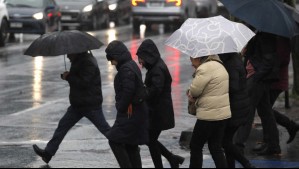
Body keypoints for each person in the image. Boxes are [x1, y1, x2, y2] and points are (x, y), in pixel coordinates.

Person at [33, 52, 111, 164]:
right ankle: (48, 153)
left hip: (90, 104)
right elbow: (79, 78)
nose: (68, 56)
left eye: (69, 54)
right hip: (78, 104)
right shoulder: (80, 60)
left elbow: (84, 83)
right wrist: (69, 76)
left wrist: (69, 76)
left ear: (76, 51)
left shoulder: (88, 62)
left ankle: (125, 146)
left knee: (105, 129)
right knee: (62, 126)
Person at [137, 39, 185, 168]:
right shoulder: (155, 66)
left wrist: (142, 94)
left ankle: (168, 161)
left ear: (147, 56)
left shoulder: (157, 69)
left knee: (150, 140)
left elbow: (155, 90)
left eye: (141, 58)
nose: (140, 62)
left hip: (159, 112)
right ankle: (172, 158)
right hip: (157, 111)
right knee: (150, 139)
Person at [235, 32, 281, 156]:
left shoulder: (266, 35)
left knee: (247, 111)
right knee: (265, 111)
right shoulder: (261, 34)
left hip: (257, 78)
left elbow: (268, 60)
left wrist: (256, 77)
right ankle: (273, 145)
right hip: (259, 78)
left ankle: (238, 145)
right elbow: (258, 55)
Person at [105, 40, 149, 168]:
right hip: (135, 112)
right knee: (131, 145)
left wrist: (121, 106)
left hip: (130, 113)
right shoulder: (130, 65)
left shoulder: (126, 69)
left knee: (114, 140)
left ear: (117, 56)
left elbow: (128, 90)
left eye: (112, 59)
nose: (112, 63)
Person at [253, 36, 299, 152]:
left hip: (276, 80)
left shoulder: (280, 37)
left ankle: (272, 142)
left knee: (265, 110)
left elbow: (283, 59)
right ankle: (271, 139)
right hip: (270, 79)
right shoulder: (273, 35)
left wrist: (267, 61)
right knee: (265, 110)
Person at [188, 55, 231, 168]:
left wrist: (191, 92)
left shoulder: (204, 68)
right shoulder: (220, 65)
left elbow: (195, 91)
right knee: (215, 147)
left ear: (198, 58)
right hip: (222, 114)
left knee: (195, 146)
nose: (191, 63)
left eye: (192, 59)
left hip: (208, 115)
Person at [219, 53, 254, 168]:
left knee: (225, 141)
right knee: (227, 141)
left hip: (235, 108)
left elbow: (233, 87)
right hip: (238, 106)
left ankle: (246, 163)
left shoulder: (230, 63)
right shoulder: (234, 58)